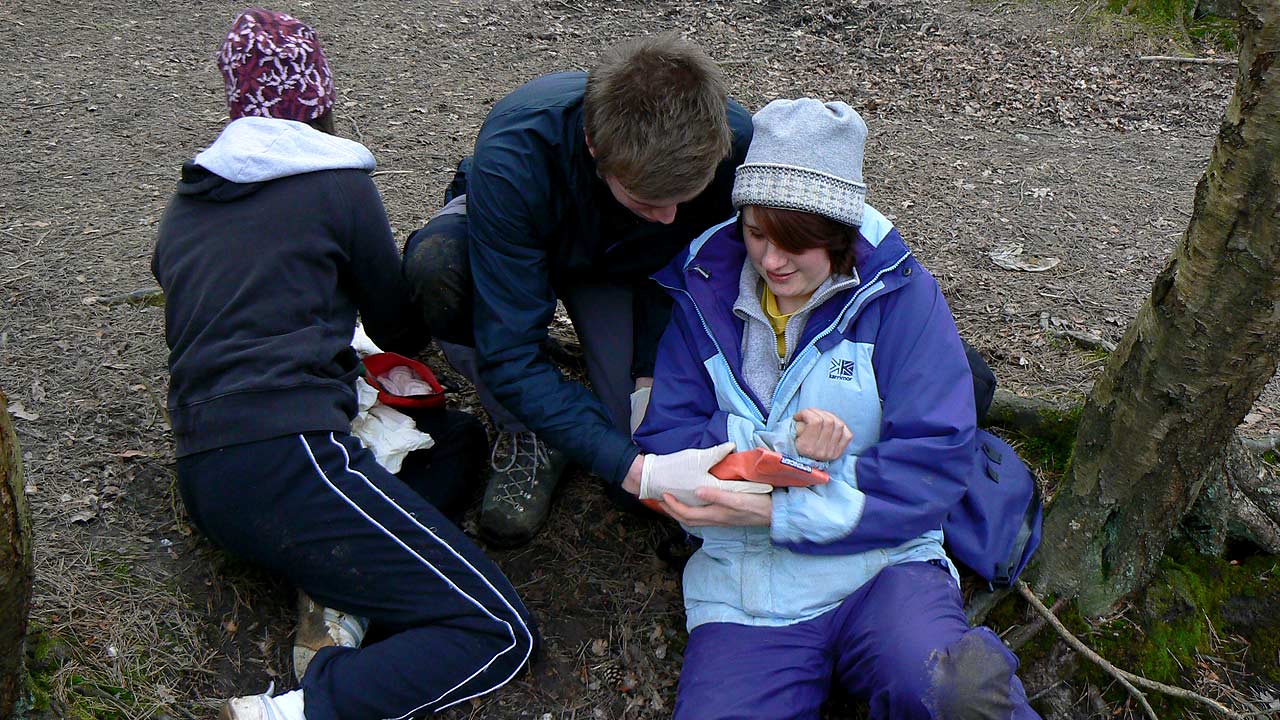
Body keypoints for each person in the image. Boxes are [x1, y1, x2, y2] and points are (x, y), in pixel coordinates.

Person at [151, 10, 535, 720]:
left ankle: (338, 596)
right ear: (322, 98)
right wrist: (450, 261)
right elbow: (397, 323)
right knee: (498, 632)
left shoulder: (184, 207)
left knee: (451, 442)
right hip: (293, 458)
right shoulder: (336, 185)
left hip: (207, 472)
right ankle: (289, 712)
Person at [633, 99, 1041, 719]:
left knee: (959, 694)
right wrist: (784, 461)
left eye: (796, 241)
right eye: (756, 233)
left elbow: (933, 461)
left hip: (883, 571)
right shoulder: (702, 290)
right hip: (747, 595)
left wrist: (779, 503)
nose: (771, 261)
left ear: (840, 231)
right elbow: (668, 440)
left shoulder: (901, 297)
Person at [402, 33, 754, 546]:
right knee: (440, 272)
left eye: (685, 197)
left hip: (626, 267)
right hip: (521, 242)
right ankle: (525, 428)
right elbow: (510, 351)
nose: (669, 216)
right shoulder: (516, 153)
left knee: (634, 462)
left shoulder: (733, 140)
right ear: (593, 144)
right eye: (648, 199)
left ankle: (584, 408)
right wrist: (639, 471)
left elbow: (696, 261)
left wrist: (649, 376)